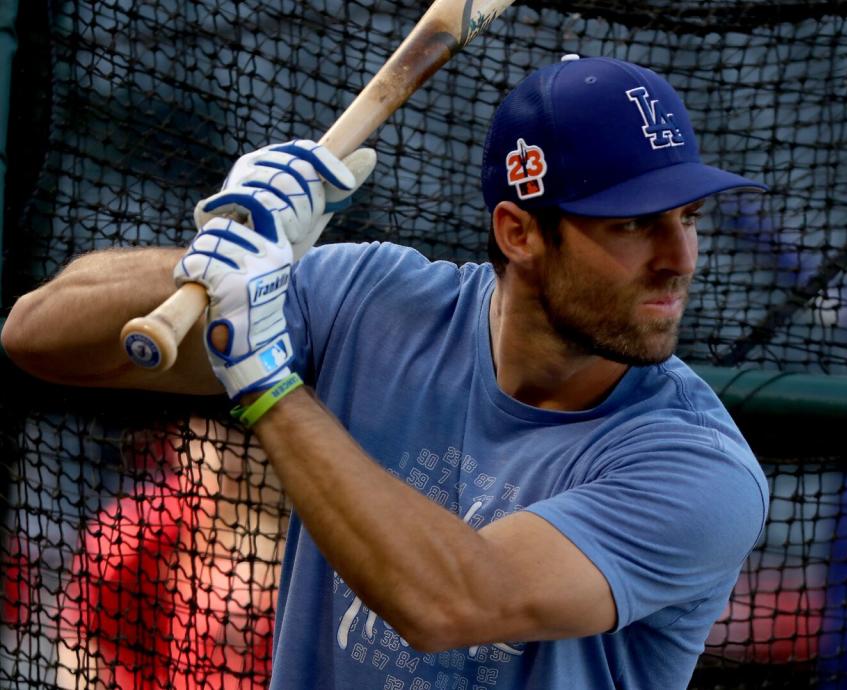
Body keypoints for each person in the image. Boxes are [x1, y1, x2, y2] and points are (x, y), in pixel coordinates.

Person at [2, 56, 770, 689]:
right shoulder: (373, 300)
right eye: (633, 224)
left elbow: (450, 603)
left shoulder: (695, 466)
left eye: (689, 217)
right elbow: (38, 335)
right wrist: (222, 255)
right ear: (520, 232)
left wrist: (266, 380)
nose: (679, 259)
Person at [56, 418, 287, 690]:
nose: (223, 457)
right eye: (205, 436)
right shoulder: (130, 534)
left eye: (235, 436)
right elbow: (77, 642)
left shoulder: (291, 546)